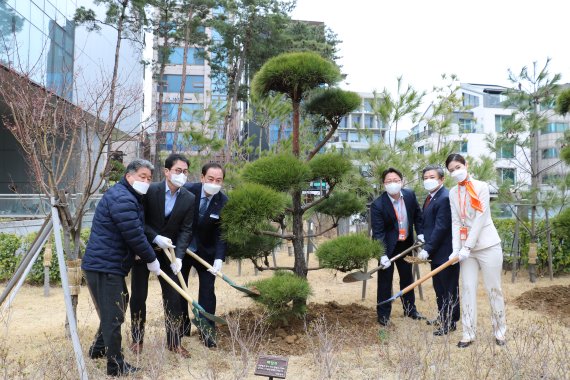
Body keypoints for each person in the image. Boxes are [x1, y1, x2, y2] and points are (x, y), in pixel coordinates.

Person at [82, 159, 160, 377]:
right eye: (142, 176)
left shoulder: (128, 196)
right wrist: (151, 258)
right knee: (114, 315)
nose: (145, 181)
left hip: (108, 264)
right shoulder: (122, 198)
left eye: (149, 178)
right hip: (104, 266)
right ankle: (115, 365)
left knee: (117, 307)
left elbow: (133, 229)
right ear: (129, 176)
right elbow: (134, 234)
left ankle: (98, 349)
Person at [129, 153, 195, 358]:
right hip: (144, 250)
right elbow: (139, 220)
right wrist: (155, 236)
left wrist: (181, 257)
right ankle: (137, 340)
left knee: (173, 297)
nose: (181, 175)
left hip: (169, 254)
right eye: (178, 171)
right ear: (167, 172)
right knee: (139, 296)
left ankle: (174, 342)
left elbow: (186, 230)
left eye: (185, 172)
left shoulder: (189, 198)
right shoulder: (151, 191)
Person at [445, 153, 507, 348]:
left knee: (493, 289)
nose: (455, 172)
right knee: (467, 288)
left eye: (457, 167)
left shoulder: (481, 187)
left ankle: (499, 331)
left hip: (487, 245)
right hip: (465, 249)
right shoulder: (452, 193)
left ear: (466, 165)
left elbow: (481, 218)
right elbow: (456, 221)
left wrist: (468, 246)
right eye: (451, 170)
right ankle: (468, 333)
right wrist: (457, 249)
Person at [371, 167, 426, 326]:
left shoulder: (409, 195)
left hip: (406, 244)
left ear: (401, 181)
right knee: (385, 281)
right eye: (389, 181)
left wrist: (420, 233)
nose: (392, 184)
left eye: (396, 180)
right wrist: (382, 254)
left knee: (407, 278)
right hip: (387, 247)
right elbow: (378, 232)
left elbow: (417, 215)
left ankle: (410, 310)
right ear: (383, 184)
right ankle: (383, 315)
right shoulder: (378, 205)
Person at [181, 163, 228, 347]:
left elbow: (221, 234)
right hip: (182, 250)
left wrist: (218, 258)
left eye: (218, 180)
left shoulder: (223, 201)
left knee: (208, 291)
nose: (214, 183)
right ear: (202, 178)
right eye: (210, 179)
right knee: (179, 288)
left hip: (206, 253)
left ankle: (207, 332)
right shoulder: (186, 192)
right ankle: (181, 328)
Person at [417, 165, 460, 336]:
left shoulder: (444, 197)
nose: (428, 180)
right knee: (439, 288)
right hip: (436, 252)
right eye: (425, 177)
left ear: (442, 179)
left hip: (445, 251)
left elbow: (441, 227)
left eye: (432, 177)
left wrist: (427, 249)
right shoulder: (431, 197)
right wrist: (421, 236)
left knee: (449, 288)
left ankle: (450, 322)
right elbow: (427, 223)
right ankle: (443, 316)